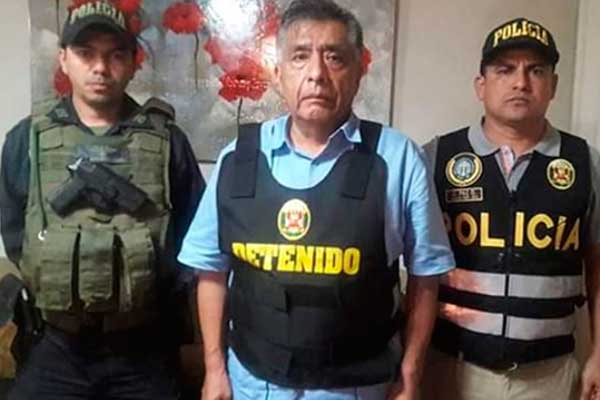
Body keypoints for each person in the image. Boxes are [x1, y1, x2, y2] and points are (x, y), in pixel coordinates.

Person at [177, 0, 454, 399]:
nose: (317, 74)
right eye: (300, 56)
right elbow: (210, 270)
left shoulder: (398, 159)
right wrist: (214, 369)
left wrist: (411, 375)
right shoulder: (237, 159)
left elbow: (426, 277)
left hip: (356, 387)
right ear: (277, 73)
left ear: (359, 70)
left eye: (335, 57)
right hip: (254, 384)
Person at [0, 1, 205, 399]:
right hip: (56, 345)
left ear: (133, 63)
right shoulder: (27, 139)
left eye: (115, 55)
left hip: (143, 348)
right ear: (63, 59)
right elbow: (15, 232)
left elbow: (194, 240)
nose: (100, 68)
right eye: (85, 53)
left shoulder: (168, 141)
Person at [421, 17, 600, 400]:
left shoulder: (587, 164)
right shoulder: (435, 158)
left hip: (548, 377)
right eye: (505, 70)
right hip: (450, 369)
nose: (521, 82)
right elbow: (416, 271)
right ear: (481, 85)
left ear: (553, 85)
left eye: (536, 70)